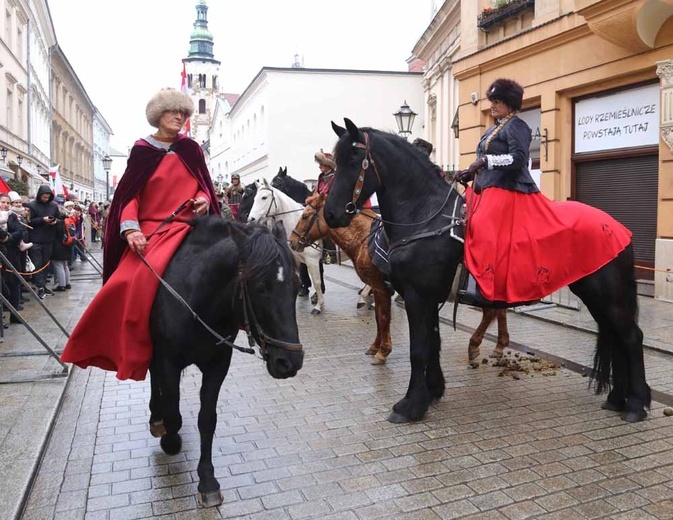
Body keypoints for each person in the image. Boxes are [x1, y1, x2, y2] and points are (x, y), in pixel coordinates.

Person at [61, 88, 219, 380]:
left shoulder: (191, 149)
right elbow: (129, 196)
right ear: (159, 115)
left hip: (188, 225)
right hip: (150, 229)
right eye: (174, 112)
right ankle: (122, 347)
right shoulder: (142, 149)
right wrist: (131, 229)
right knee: (123, 282)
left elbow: (203, 184)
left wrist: (204, 199)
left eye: (183, 113)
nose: (180, 117)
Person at [455, 78, 632, 305]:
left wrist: (484, 162)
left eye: (498, 101)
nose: (493, 105)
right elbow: (485, 161)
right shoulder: (493, 128)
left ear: (510, 104)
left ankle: (484, 285)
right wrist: (470, 172)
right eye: (492, 101)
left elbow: (518, 159)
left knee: (483, 227)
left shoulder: (517, 126)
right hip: (486, 189)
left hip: (509, 189)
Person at [27, 184, 62, 299]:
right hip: (36, 240)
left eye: (47, 197)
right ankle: (40, 287)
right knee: (37, 264)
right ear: (39, 195)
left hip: (49, 239)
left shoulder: (53, 206)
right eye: (44, 197)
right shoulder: (32, 205)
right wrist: (43, 220)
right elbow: (29, 221)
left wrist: (54, 221)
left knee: (46, 263)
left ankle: (44, 285)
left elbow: (59, 218)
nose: (46, 199)